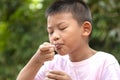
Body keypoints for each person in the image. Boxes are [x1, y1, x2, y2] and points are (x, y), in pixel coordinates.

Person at [17, 0, 120, 80]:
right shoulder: (54, 63)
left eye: (62, 28)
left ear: (85, 29)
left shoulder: (105, 63)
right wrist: (37, 60)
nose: (54, 36)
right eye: (51, 31)